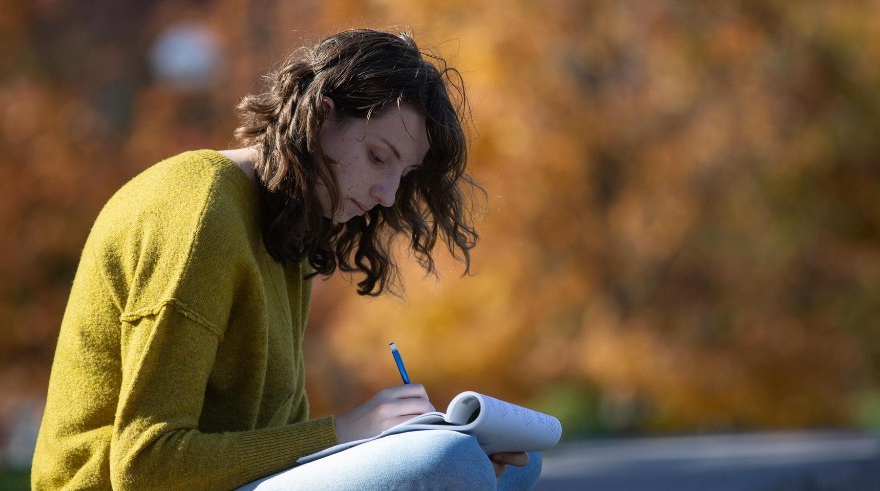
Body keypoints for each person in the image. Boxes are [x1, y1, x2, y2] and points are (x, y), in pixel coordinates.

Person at [31, 28, 541, 490]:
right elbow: (145, 466)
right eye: (379, 157)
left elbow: (279, 445)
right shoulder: (199, 211)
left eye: (402, 175)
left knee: (507, 468)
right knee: (447, 463)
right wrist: (348, 431)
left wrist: (384, 441)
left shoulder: (286, 228)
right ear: (321, 116)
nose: (388, 194)